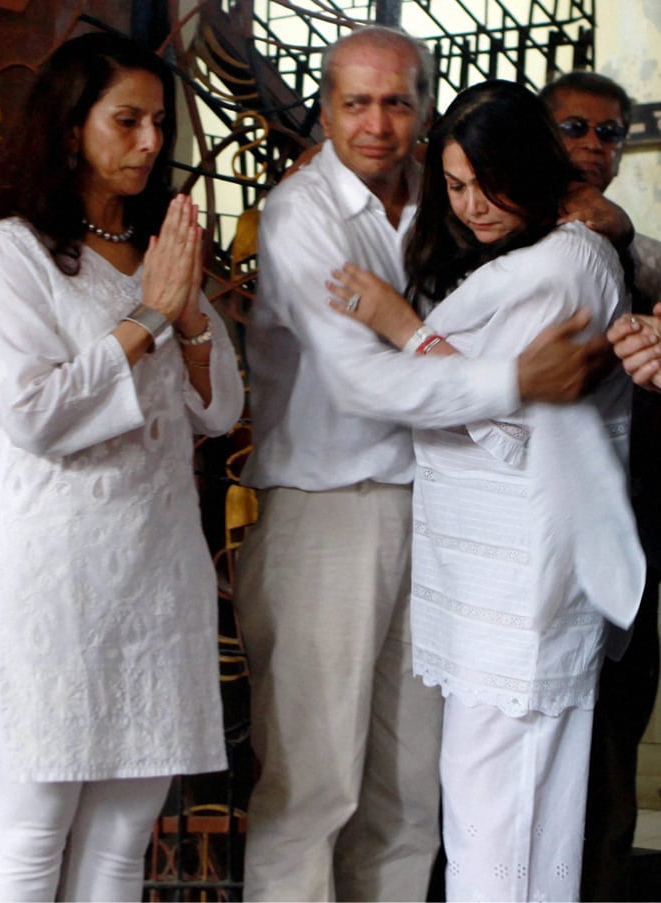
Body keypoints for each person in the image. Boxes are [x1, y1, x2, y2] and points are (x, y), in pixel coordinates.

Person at [233, 26, 616, 903]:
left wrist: (603, 214)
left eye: (397, 101)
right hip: (331, 508)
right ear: (325, 109)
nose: (376, 123)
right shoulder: (304, 214)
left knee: (410, 799)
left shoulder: (450, 204)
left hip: (443, 521)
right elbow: (364, 380)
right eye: (356, 102)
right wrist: (512, 381)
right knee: (313, 787)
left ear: (425, 110)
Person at [326, 78, 645, 901]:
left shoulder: (563, 264)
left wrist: (401, 329)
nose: (471, 207)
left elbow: (503, 423)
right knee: (504, 824)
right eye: (457, 187)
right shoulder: (530, 257)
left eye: (487, 184)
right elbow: (490, 392)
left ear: (533, 169)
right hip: (495, 588)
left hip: (522, 592)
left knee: (500, 828)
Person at [0, 31, 243, 903]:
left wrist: (189, 313)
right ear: (70, 126)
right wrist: (150, 318)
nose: (153, 143)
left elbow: (218, 410)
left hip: (154, 570)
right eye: (127, 120)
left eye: (160, 122)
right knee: (31, 825)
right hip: (50, 571)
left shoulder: (160, 247)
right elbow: (39, 414)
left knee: (124, 839)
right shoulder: (19, 249)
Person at [542, 70, 661, 901]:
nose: (592, 146)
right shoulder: (495, 223)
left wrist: (621, 235)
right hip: (523, 532)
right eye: (575, 127)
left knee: (614, 745)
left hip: (625, 529)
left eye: (609, 132)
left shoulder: (631, 243)